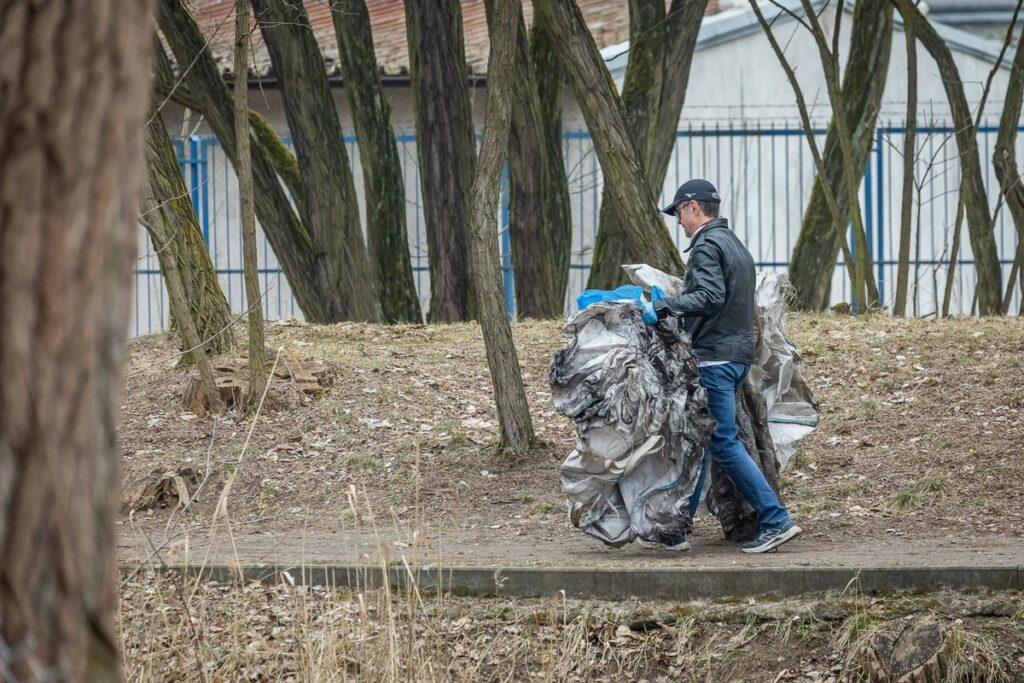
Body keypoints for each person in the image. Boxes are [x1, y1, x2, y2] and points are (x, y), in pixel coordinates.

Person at [644, 179, 801, 554]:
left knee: (722, 442)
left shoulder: (706, 246)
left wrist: (666, 306)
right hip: (735, 356)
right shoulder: (734, 245)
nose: (679, 221)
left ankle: (776, 519)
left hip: (715, 357)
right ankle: (679, 528)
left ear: (694, 207)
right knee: (709, 441)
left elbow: (709, 296)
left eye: (679, 212)